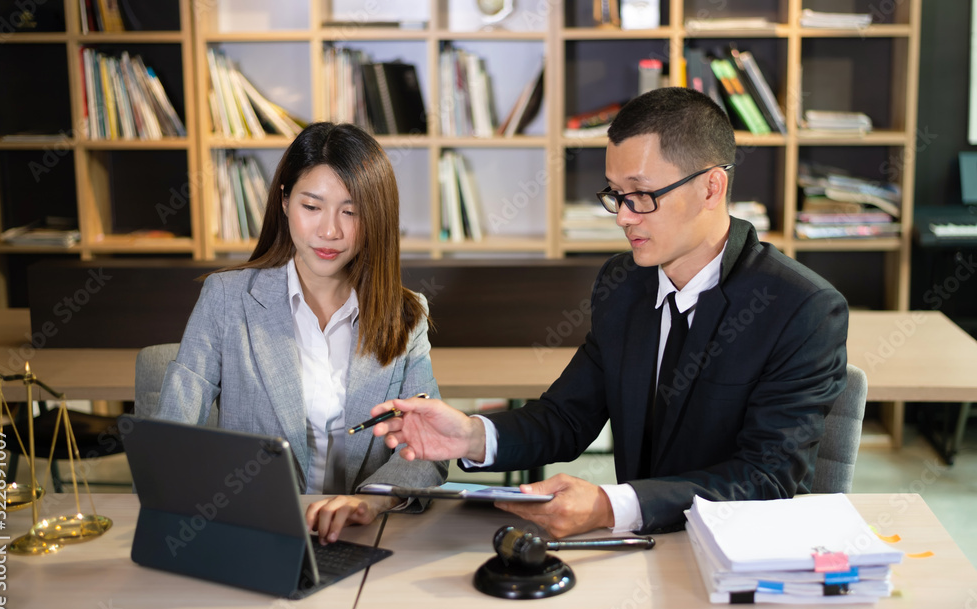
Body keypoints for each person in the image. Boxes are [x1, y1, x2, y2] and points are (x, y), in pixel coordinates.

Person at [371, 87, 849, 537]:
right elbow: (567, 416)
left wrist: (610, 506)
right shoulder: (624, 284)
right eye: (615, 195)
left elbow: (766, 479)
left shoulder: (800, 308)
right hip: (639, 553)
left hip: (741, 558)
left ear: (711, 187)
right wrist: (472, 436)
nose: (623, 215)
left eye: (641, 195)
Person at [156, 122, 447, 542]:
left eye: (352, 211)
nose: (330, 231)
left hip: (366, 538)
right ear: (285, 202)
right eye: (312, 207)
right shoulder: (226, 298)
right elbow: (170, 436)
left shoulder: (407, 314)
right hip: (253, 534)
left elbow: (427, 452)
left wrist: (371, 501)